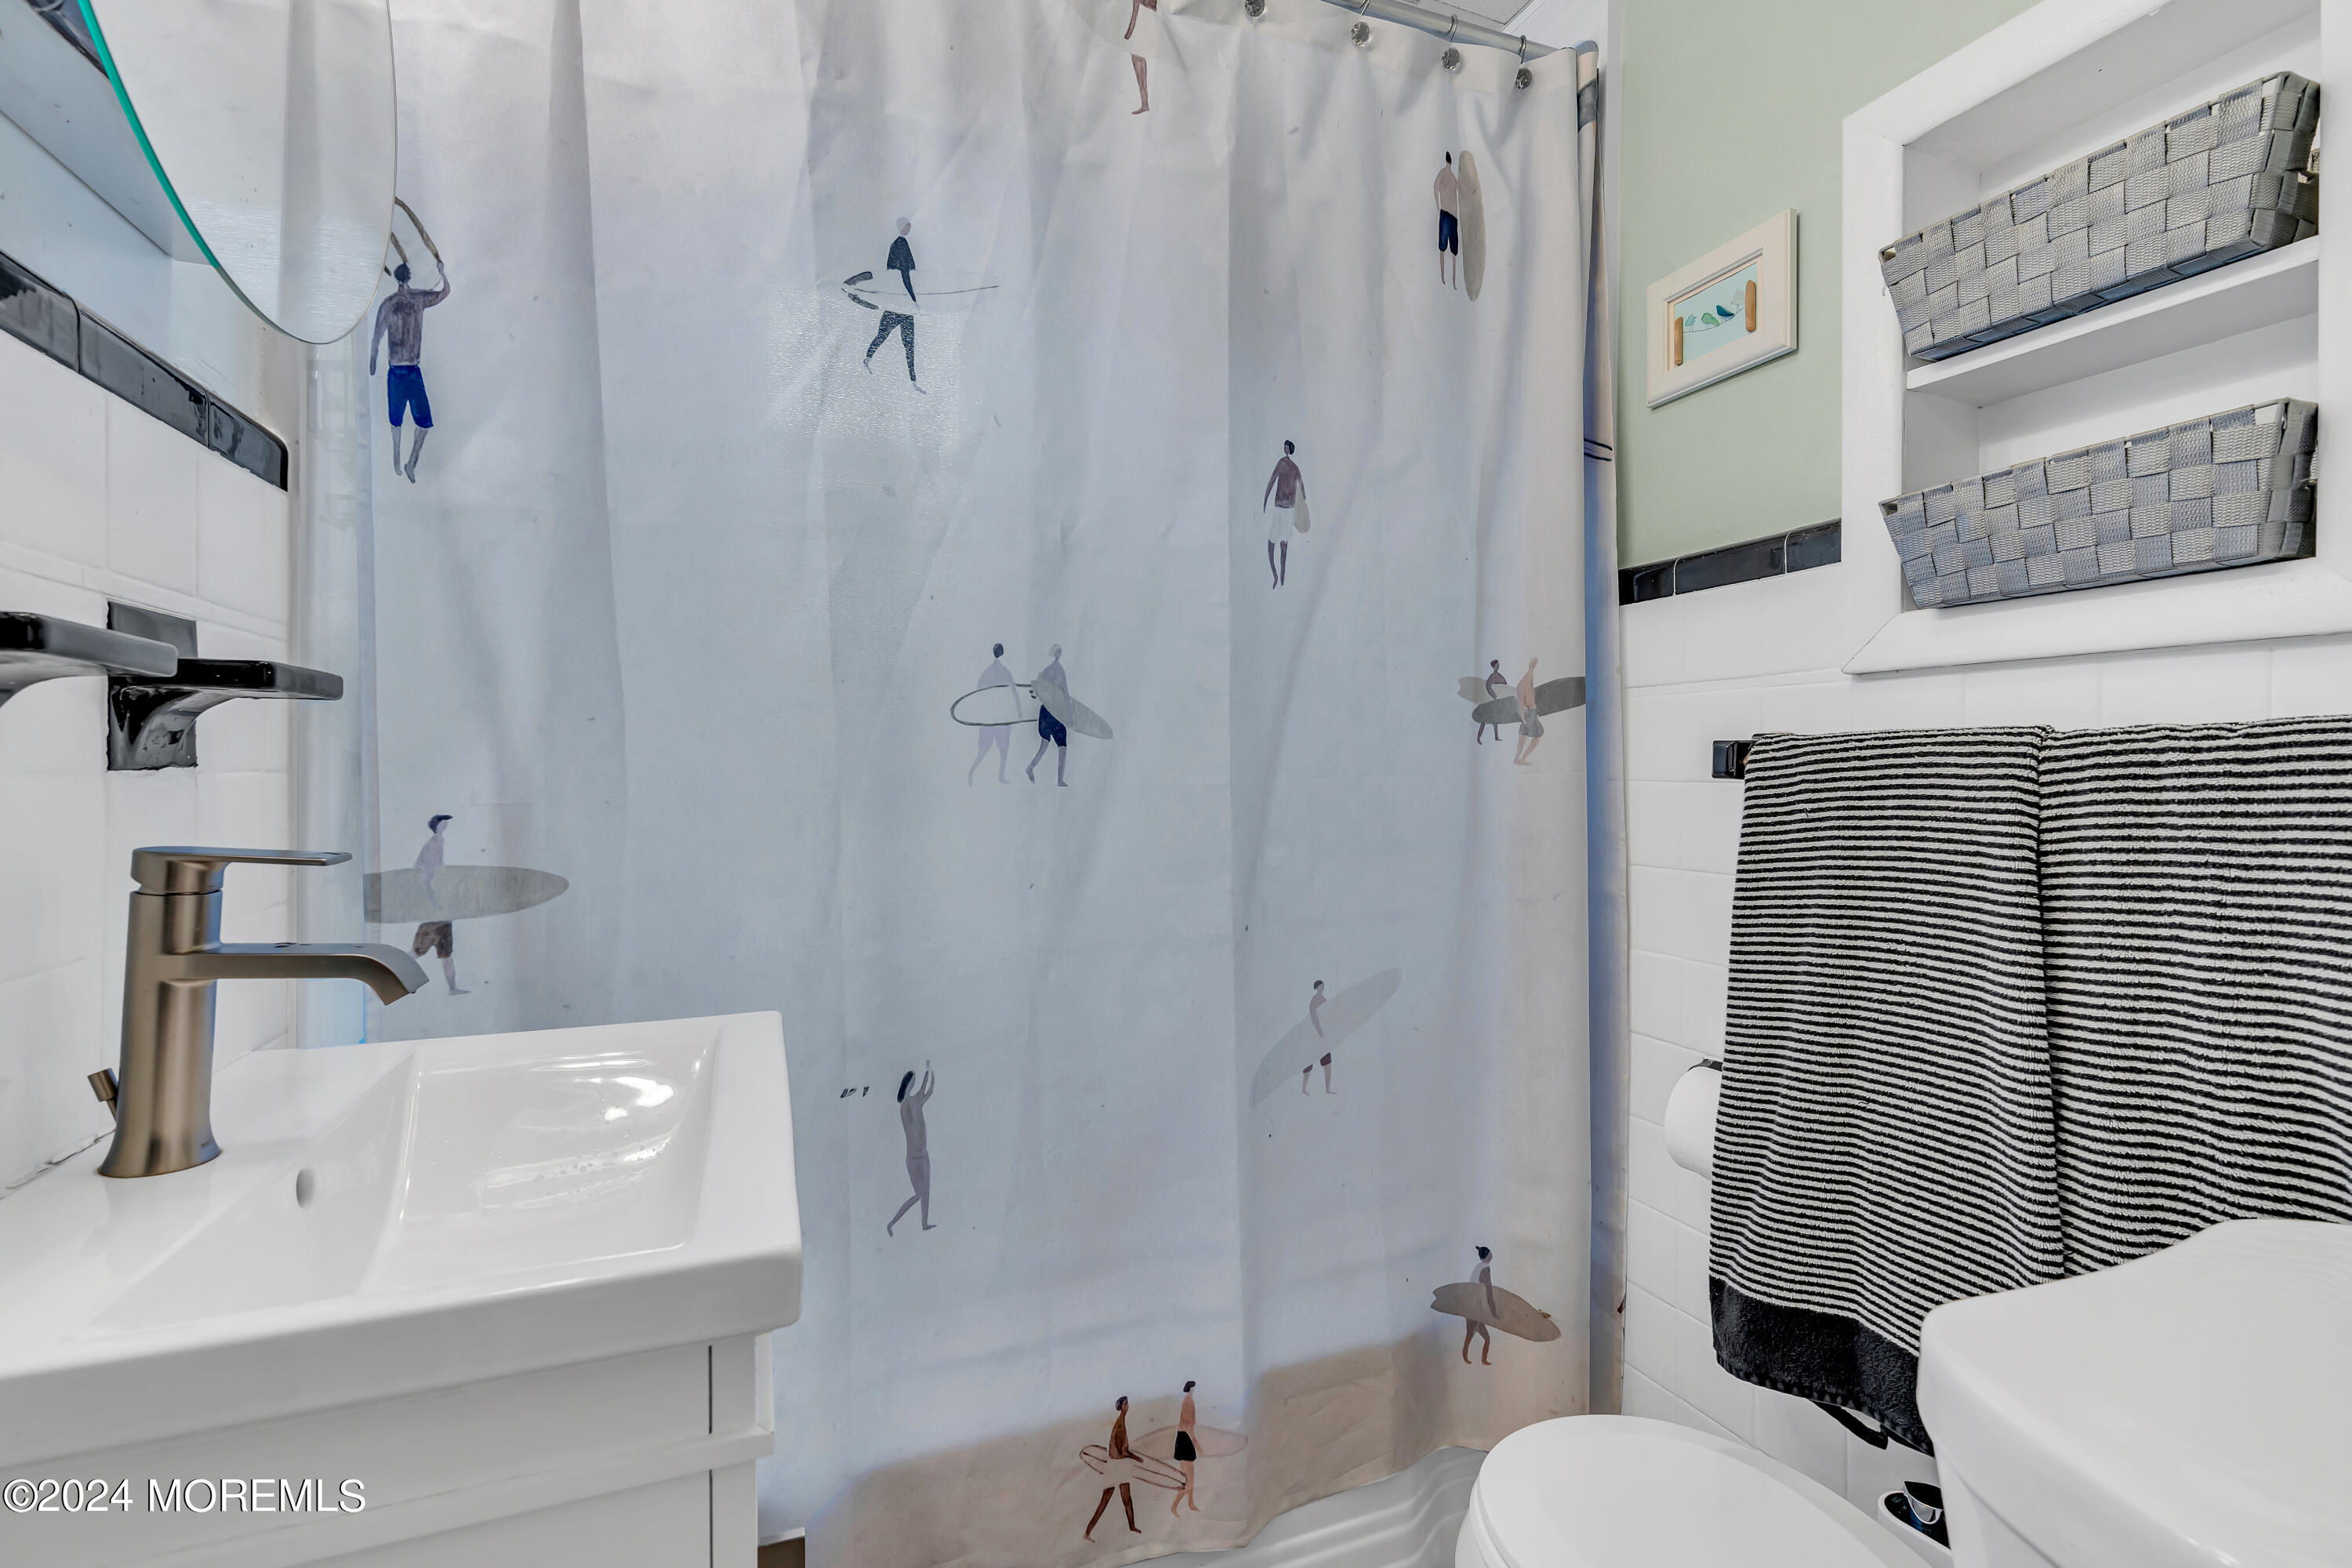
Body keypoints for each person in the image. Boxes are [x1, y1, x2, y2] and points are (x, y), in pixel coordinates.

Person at [370, 260, 452, 483]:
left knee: (408, 422)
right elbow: (445, 291)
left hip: (402, 371)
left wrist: (373, 360)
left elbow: (377, 337)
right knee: (405, 422)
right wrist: (442, 273)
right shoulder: (413, 300)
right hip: (403, 371)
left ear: (398, 278)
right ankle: (402, 461)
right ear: (409, 277)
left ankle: (406, 462)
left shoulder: (394, 303)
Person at [410, 814, 466, 994]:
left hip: (442, 913)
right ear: (439, 825)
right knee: (417, 952)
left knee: (447, 955)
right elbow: (425, 869)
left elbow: (425, 867)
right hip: (435, 911)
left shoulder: (437, 842)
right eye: (444, 822)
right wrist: (430, 893)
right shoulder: (433, 843)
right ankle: (392, 976)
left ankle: (452, 988)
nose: (447, 825)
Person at [887, 1064, 936, 1236]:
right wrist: (929, 1076)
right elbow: (925, 1091)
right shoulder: (907, 1105)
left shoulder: (914, 1101)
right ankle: (892, 1223)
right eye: (912, 1082)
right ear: (907, 1085)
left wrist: (930, 1074)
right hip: (913, 1158)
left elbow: (926, 1091)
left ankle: (924, 1223)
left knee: (926, 1192)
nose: (915, 1085)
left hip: (924, 1154)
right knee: (919, 1194)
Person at [1084, 1396, 1142, 1539]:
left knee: (1127, 1500)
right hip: (1116, 1467)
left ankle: (1132, 1526)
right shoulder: (1119, 1425)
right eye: (1127, 1404)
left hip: (1120, 1466)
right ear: (1122, 1406)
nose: (1128, 1406)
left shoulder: (1121, 1422)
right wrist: (1137, 1458)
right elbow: (1122, 1451)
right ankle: (1088, 1532)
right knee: (1105, 1501)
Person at [968, 643, 1015, 785]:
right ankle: (973, 773)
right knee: (995, 749)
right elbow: (979, 694)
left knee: (1000, 749)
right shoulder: (1002, 672)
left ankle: (999, 776)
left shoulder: (990, 672)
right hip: (995, 718)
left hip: (998, 718)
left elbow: (1013, 693)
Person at [1028, 645, 1071, 787]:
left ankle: (1032, 768)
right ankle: (1058, 779)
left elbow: (1038, 690)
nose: (1059, 654)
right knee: (1059, 744)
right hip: (1050, 714)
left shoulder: (1051, 671)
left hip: (1050, 714)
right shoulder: (1055, 671)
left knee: (1047, 745)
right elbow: (1064, 695)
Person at [1262, 441, 1304, 588]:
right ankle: (1278, 576)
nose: (1284, 447)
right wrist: (1266, 498)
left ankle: (1279, 576)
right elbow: (1302, 491)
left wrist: (1266, 499)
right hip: (1286, 508)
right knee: (1281, 543)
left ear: (1288, 449)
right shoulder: (1294, 468)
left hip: (1283, 508)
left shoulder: (1284, 464)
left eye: (1286, 445)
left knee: (1276, 543)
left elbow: (1272, 480)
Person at [1170, 1381, 1201, 1515]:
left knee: (1191, 1480)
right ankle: (1174, 1506)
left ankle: (1191, 1503)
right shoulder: (1188, 1402)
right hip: (1185, 1439)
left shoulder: (1188, 1401)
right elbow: (1188, 1426)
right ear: (1192, 1388)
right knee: (1188, 1482)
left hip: (1185, 1439)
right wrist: (1196, 1443)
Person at [1463, 1245, 1497, 1365]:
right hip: (1475, 1308)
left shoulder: (1479, 1267)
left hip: (1474, 1307)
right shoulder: (1485, 1268)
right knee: (1470, 1335)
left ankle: (1482, 1360)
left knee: (1482, 1337)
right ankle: (1467, 1359)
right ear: (1487, 1256)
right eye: (1490, 1254)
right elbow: (1488, 1290)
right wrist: (1493, 1311)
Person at [1125, 0, 1160, 115]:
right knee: (1136, 57)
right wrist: (1129, 33)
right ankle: (1144, 103)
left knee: (1138, 57)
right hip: (1142, 27)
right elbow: (1135, 12)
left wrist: (1143, 2)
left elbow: (1158, 6)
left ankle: (1145, 103)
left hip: (1152, 25)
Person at [1436, 154, 1461, 289]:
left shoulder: (1451, 176)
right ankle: (1444, 277)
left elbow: (1460, 191)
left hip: (1451, 215)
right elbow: (1435, 187)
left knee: (1451, 249)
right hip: (1448, 214)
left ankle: (1451, 280)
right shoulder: (1447, 175)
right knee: (1445, 248)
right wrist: (1438, 206)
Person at [1512, 659, 1544, 766]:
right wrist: (1524, 718)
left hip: (1529, 713)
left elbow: (1530, 679)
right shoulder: (1524, 684)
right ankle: (1522, 758)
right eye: (1534, 664)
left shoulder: (1525, 680)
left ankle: (1517, 759)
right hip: (1530, 713)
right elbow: (1521, 703)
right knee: (1537, 736)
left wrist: (1523, 718)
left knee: (1523, 736)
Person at [1477, 660, 1508, 745]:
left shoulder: (1499, 676)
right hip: (1490, 701)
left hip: (1496, 701)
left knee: (1495, 720)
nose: (1498, 666)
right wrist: (1494, 696)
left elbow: (1505, 685)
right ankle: (1478, 737)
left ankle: (1496, 737)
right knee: (1484, 720)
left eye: (1498, 665)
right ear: (1494, 667)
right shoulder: (1492, 677)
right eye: (1497, 665)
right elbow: (1488, 687)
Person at [887, 219, 917, 303]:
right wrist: (913, 296)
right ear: (901, 228)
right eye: (907, 227)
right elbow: (904, 265)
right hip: (900, 281)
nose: (909, 230)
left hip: (896, 282)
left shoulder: (896, 241)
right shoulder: (900, 242)